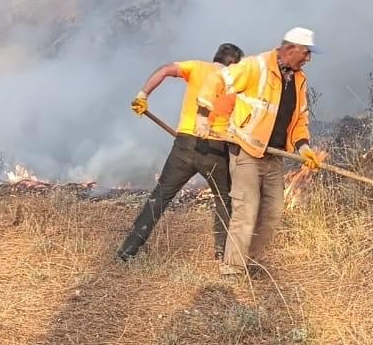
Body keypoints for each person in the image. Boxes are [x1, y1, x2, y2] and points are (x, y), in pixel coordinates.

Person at [201, 28, 325, 277]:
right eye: (306, 53)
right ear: (290, 49)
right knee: (246, 211)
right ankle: (232, 268)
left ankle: (249, 261)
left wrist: (304, 148)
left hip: (274, 156)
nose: (309, 59)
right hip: (247, 151)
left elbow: (300, 118)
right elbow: (217, 80)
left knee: (272, 214)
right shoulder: (255, 66)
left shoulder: (299, 79)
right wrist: (204, 116)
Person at [117, 43, 244, 261]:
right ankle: (222, 251)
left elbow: (165, 69)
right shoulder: (235, 82)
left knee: (160, 196)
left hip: (184, 145)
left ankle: (127, 250)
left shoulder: (196, 67)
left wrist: (143, 94)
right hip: (216, 148)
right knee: (224, 199)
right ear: (233, 63)